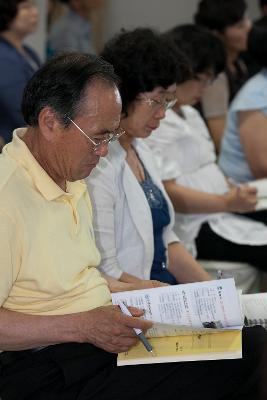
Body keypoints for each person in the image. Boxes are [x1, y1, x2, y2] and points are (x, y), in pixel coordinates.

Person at [0, 51, 266, 400]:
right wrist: (84, 326)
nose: (104, 152)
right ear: (50, 122)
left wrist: (139, 292)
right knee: (249, 357)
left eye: (111, 138)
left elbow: (73, 279)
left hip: (90, 338)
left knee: (249, 342)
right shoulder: (8, 194)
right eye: (98, 137)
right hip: (44, 363)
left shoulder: (68, 175)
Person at [86, 28, 211, 286]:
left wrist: (213, 288)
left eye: (168, 102)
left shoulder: (141, 148)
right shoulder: (98, 164)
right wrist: (167, 296)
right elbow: (105, 270)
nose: (163, 114)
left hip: (161, 289)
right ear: (123, 93)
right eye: (156, 101)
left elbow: (165, 239)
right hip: (134, 299)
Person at [145, 24, 267, 275]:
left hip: (223, 210)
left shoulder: (190, 114)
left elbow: (210, 165)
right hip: (198, 225)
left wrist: (233, 192)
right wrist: (226, 202)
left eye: (209, 80)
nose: (205, 88)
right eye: (201, 79)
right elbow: (170, 192)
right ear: (179, 72)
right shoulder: (156, 121)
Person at [194, 0, 251, 153]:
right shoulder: (215, 77)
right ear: (217, 34)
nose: (249, 28)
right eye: (240, 26)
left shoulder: (239, 63)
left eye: (247, 20)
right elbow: (221, 141)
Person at [0, 0, 41, 148]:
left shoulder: (28, 52)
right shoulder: (3, 56)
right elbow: (21, 110)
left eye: (34, 6)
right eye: (26, 7)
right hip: (13, 142)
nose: (35, 12)